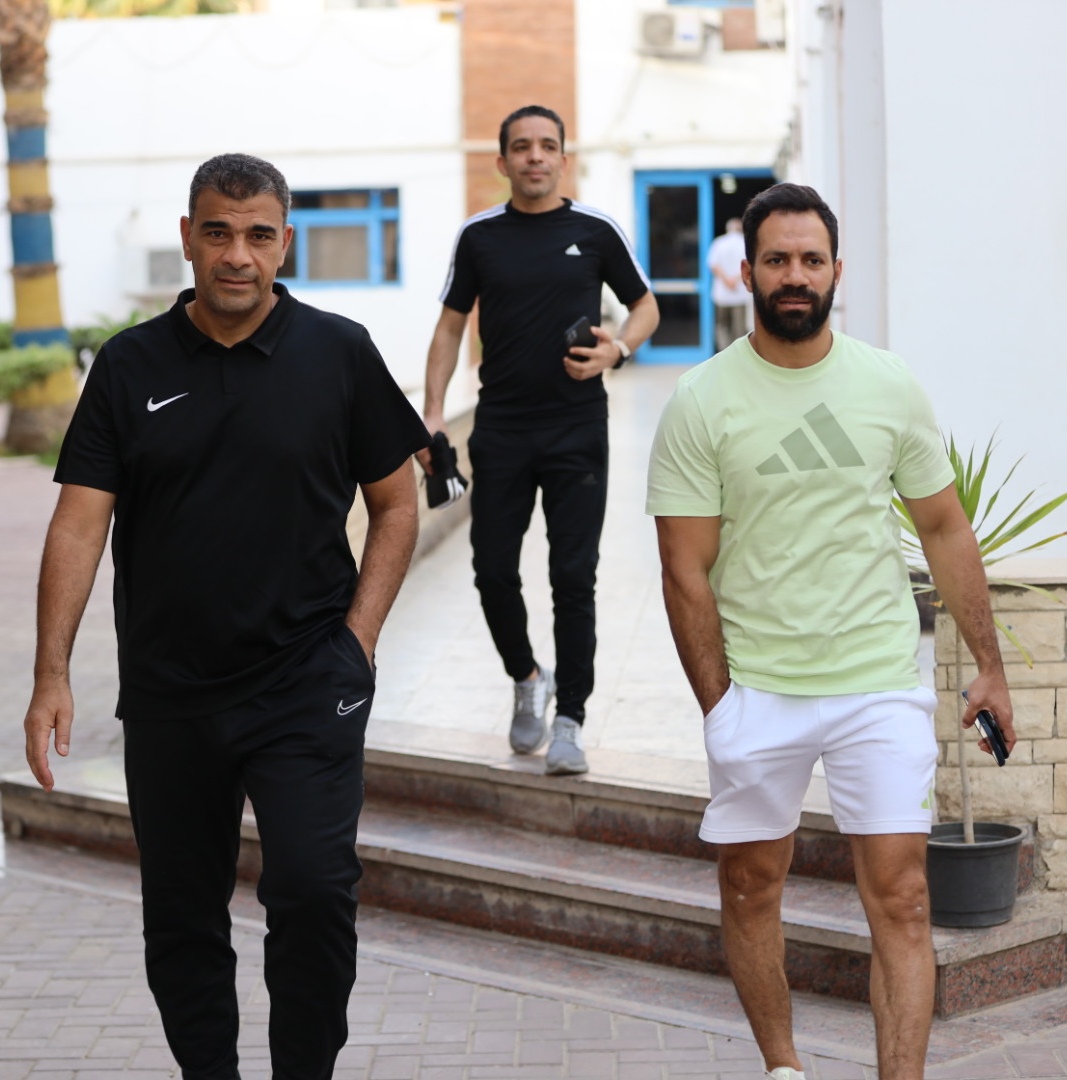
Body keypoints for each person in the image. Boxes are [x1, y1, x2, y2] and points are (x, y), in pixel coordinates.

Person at [22, 153, 430, 1080]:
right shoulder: (129, 364)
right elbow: (79, 523)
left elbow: (397, 503)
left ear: (285, 244)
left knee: (314, 895)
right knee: (181, 917)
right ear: (187, 239)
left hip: (307, 682)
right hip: (170, 693)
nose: (236, 254)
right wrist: (51, 673)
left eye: (256, 235)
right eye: (217, 232)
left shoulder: (339, 351)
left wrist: (359, 639)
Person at [646, 183, 1013, 1080]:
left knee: (904, 897)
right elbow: (683, 569)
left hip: (875, 680)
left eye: (811, 259)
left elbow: (943, 527)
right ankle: (783, 1069)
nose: (795, 275)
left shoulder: (886, 384)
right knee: (749, 886)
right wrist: (719, 706)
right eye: (776, 259)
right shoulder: (700, 400)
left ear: (836, 270)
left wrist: (989, 666)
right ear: (745, 272)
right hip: (757, 687)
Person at [420, 104, 659, 775]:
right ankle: (527, 677)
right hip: (500, 426)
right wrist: (433, 412)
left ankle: (570, 719)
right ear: (502, 162)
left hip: (576, 426)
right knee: (492, 569)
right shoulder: (478, 237)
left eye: (546, 146)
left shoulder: (595, 230)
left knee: (572, 576)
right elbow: (449, 327)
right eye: (521, 147)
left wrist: (619, 351)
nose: (534, 156)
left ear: (562, 159)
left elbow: (645, 305)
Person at [707, 216, 748, 352]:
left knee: (722, 325)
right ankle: (738, 354)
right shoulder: (745, 243)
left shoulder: (719, 243)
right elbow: (749, 264)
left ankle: (723, 352)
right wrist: (734, 280)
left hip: (722, 294)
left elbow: (713, 265)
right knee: (739, 327)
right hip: (740, 293)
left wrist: (726, 280)